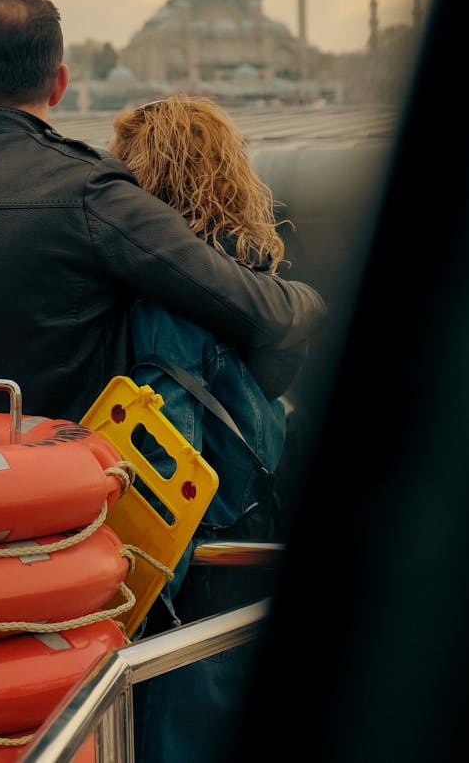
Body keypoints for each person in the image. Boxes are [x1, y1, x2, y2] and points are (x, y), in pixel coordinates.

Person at [0, 0, 326, 422]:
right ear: (59, 84)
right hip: (48, 513)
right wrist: (314, 301)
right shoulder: (92, 192)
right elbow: (257, 312)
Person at [108, 94, 312, 763]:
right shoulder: (254, 271)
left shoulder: (170, 290)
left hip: (196, 553)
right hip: (248, 528)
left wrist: (135, 608)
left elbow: (168, 449)